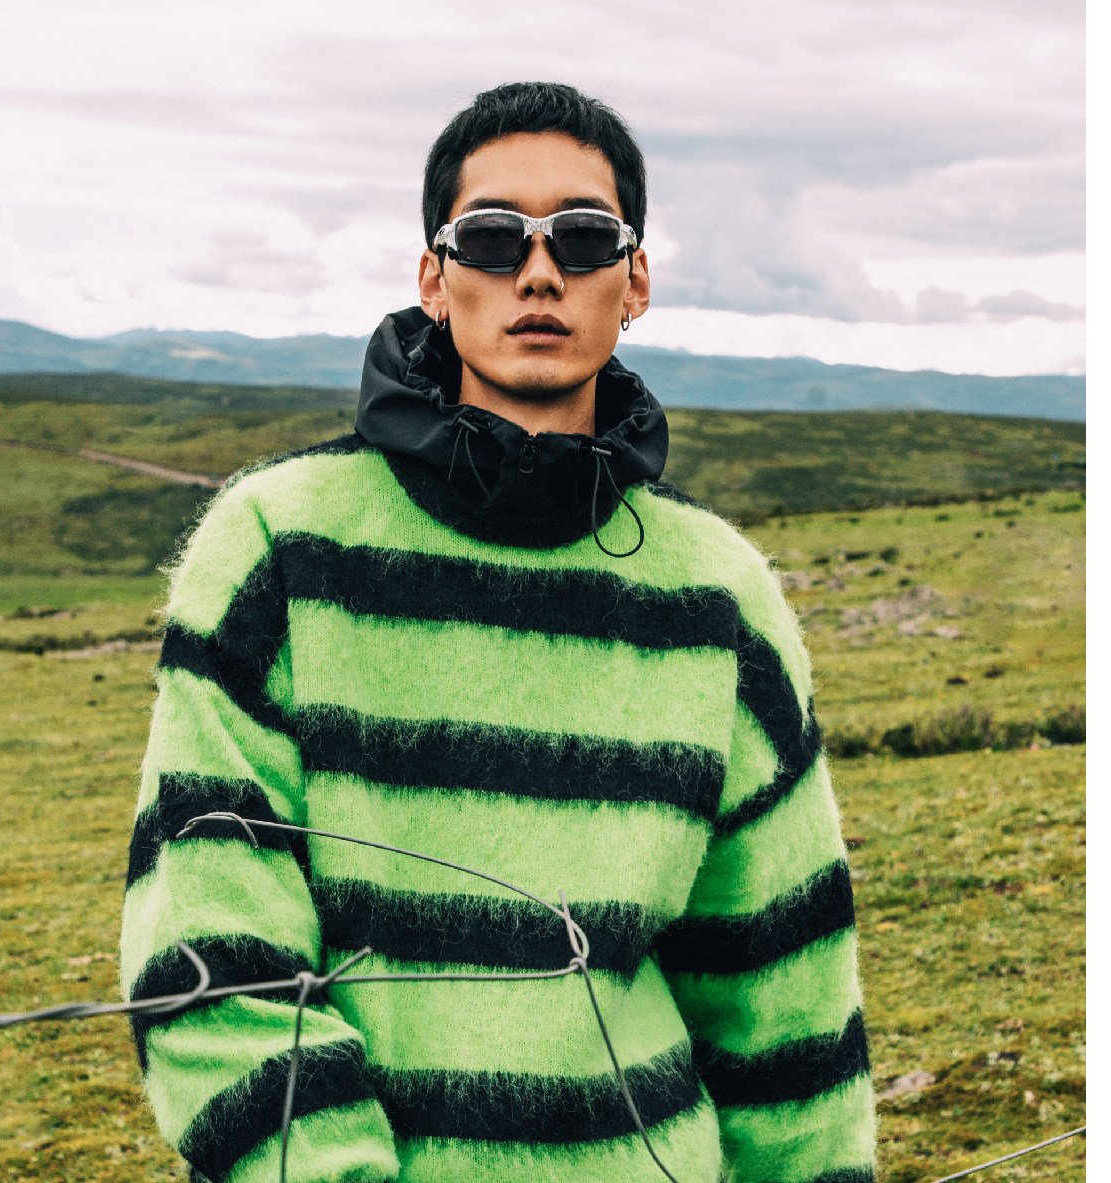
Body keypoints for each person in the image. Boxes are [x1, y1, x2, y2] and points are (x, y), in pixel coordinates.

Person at [120, 81, 877, 1183]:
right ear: (434, 279)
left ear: (634, 280)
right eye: (489, 236)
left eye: (583, 237)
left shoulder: (718, 593)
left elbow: (782, 987)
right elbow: (212, 947)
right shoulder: (279, 546)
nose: (537, 271)